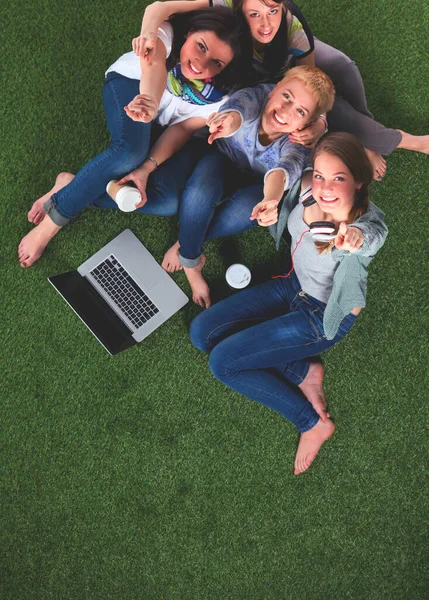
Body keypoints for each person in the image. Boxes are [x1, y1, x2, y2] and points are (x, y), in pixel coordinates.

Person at [189, 132, 388, 475]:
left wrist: (355, 236)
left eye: (338, 178)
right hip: (292, 286)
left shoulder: (366, 223)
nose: (325, 187)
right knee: (201, 332)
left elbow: (372, 235)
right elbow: (287, 174)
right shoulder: (311, 186)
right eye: (322, 174)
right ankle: (304, 371)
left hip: (322, 317)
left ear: (358, 181)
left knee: (223, 363)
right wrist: (272, 202)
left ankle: (311, 423)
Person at [18, 7, 252, 268]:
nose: (202, 64)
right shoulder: (166, 35)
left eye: (217, 63)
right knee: (129, 150)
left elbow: (183, 129)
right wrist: (149, 101)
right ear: (190, 33)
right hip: (132, 86)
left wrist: (146, 169)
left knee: (168, 200)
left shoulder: (221, 96)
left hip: (161, 123)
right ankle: (50, 226)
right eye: (201, 46)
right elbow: (154, 70)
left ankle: (70, 185)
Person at [137, 0, 429, 178]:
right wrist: (149, 34)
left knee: (343, 69)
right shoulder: (223, 7)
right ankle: (392, 139)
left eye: (273, 11)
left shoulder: (291, 29)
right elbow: (158, 8)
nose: (265, 24)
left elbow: (310, 84)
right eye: (254, 14)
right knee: (339, 109)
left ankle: (381, 139)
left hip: (288, 74)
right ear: (239, 7)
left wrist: (321, 121)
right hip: (266, 88)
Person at [163, 65, 335, 308]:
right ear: (275, 90)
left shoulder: (298, 143)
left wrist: (271, 200)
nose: (286, 110)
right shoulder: (256, 96)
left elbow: (283, 171)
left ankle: (186, 244)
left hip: (258, 185)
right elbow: (238, 112)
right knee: (201, 191)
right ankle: (191, 263)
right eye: (286, 96)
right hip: (222, 158)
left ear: (305, 124)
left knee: (248, 208)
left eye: (300, 111)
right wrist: (227, 121)